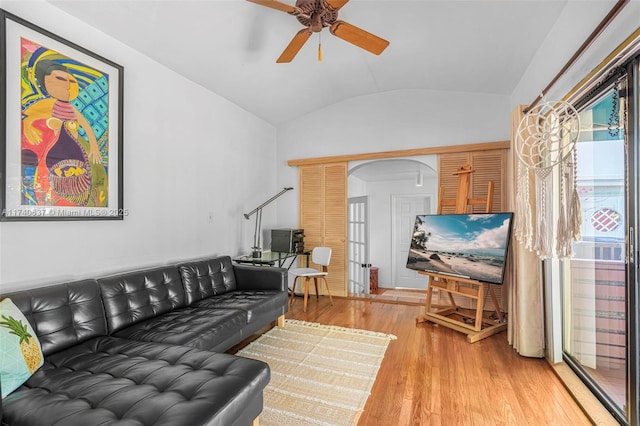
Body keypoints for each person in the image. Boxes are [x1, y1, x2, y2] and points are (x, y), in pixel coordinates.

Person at [21, 59, 104, 206]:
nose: (66, 85)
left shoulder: (72, 109)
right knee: (50, 179)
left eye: (70, 81)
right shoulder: (49, 104)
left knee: (80, 181)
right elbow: (27, 116)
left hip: (74, 151)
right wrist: (28, 126)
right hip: (53, 151)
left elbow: (87, 127)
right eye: (59, 79)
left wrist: (94, 147)